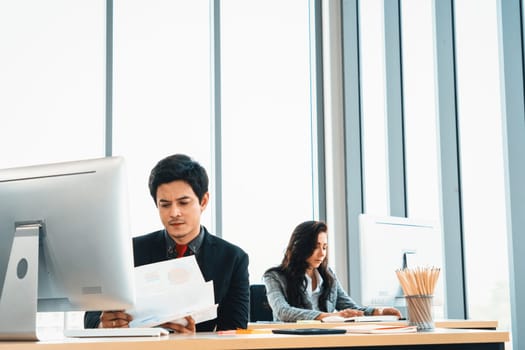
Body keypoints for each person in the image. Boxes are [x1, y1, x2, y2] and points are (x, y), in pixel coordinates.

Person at [84, 154, 250, 333]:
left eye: (183, 203)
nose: (174, 213)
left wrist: (195, 342)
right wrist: (104, 324)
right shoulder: (129, 252)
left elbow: (235, 328)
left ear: (203, 201)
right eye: (165, 205)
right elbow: (92, 317)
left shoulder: (233, 259)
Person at [263, 220, 401, 322]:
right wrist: (330, 316)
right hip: (292, 341)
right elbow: (283, 312)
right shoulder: (274, 277)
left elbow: (350, 308)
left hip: (325, 339)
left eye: (324, 247)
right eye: (315, 247)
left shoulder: (328, 275)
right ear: (300, 246)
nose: (322, 254)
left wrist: (379, 311)